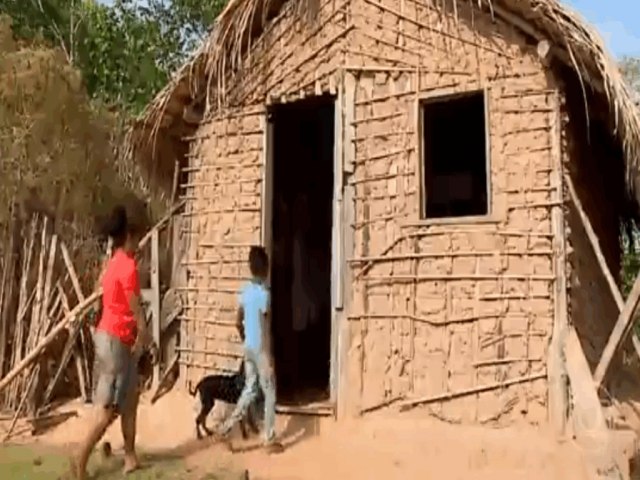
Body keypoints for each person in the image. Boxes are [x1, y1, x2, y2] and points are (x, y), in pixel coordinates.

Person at [72, 205, 150, 479]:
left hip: (109, 338)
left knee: (130, 399)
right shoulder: (127, 267)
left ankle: (130, 457)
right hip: (117, 341)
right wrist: (144, 334)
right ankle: (79, 459)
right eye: (136, 238)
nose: (138, 244)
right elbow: (134, 307)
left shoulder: (113, 261)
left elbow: (105, 298)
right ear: (128, 236)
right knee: (107, 410)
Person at [216, 246, 282, 453]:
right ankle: (269, 438)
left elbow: (238, 322)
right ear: (266, 268)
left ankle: (226, 428)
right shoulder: (264, 294)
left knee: (250, 389)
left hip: (249, 348)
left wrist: (246, 340)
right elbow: (266, 327)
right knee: (270, 391)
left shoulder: (245, 292)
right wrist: (269, 355)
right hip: (261, 348)